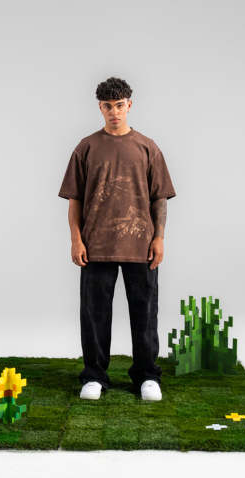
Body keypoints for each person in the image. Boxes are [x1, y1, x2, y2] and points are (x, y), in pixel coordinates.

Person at [58, 76, 176, 401]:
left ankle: (147, 376)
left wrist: (159, 238)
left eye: (119, 105)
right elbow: (75, 199)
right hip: (96, 246)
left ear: (129, 105)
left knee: (145, 313)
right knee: (94, 315)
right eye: (108, 106)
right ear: (100, 107)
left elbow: (159, 198)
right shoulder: (86, 148)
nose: (114, 112)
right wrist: (76, 240)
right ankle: (94, 376)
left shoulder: (148, 148)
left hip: (141, 245)